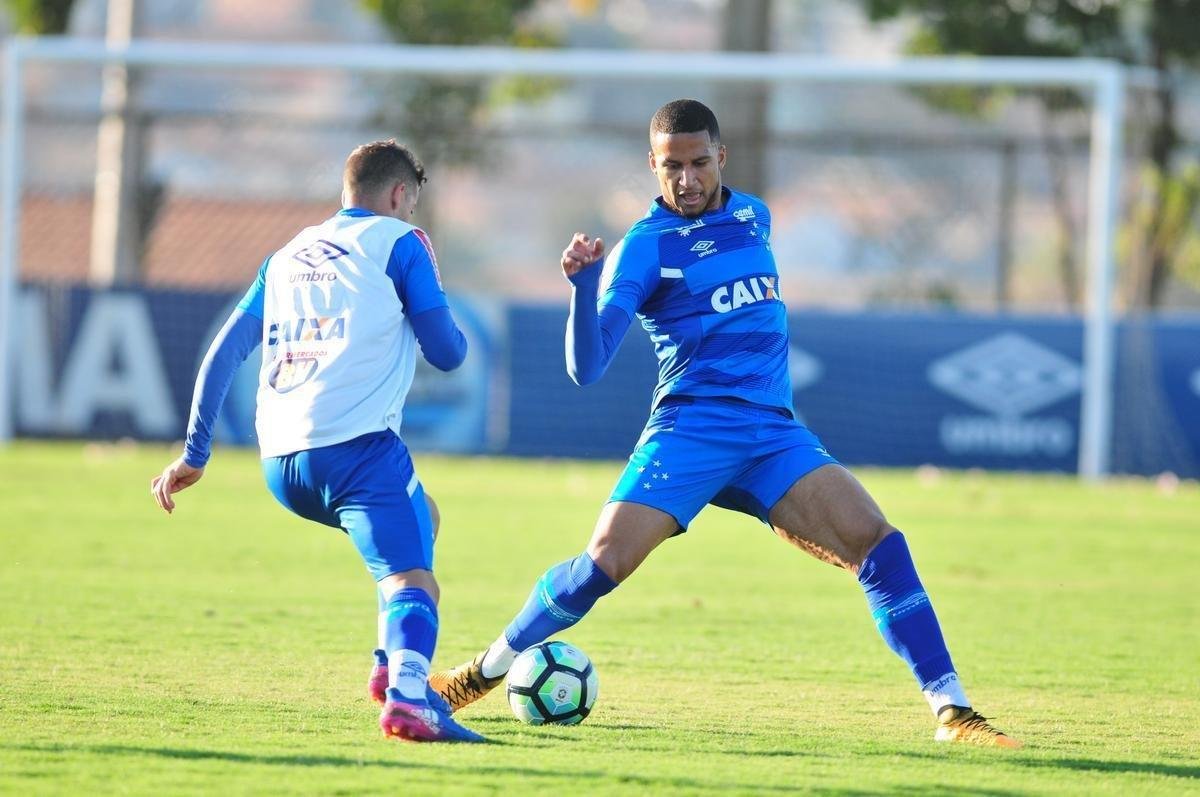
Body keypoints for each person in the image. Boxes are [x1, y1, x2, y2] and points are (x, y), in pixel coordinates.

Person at [429, 99, 1020, 748]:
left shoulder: (754, 216)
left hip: (772, 432)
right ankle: (479, 673)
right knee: (604, 563)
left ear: (722, 157)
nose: (686, 180)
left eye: (699, 163)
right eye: (671, 167)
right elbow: (586, 367)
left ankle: (953, 711)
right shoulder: (644, 249)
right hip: (691, 429)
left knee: (878, 543)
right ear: (652, 166)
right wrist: (582, 286)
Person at [150, 140, 484, 744]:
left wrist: (194, 455)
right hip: (356, 451)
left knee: (424, 519)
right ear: (399, 195)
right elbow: (449, 353)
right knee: (414, 581)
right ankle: (411, 701)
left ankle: (387, 668)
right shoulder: (401, 243)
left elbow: (221, 354)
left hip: (281, 464)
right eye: (411, 204)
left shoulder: (286, 254)